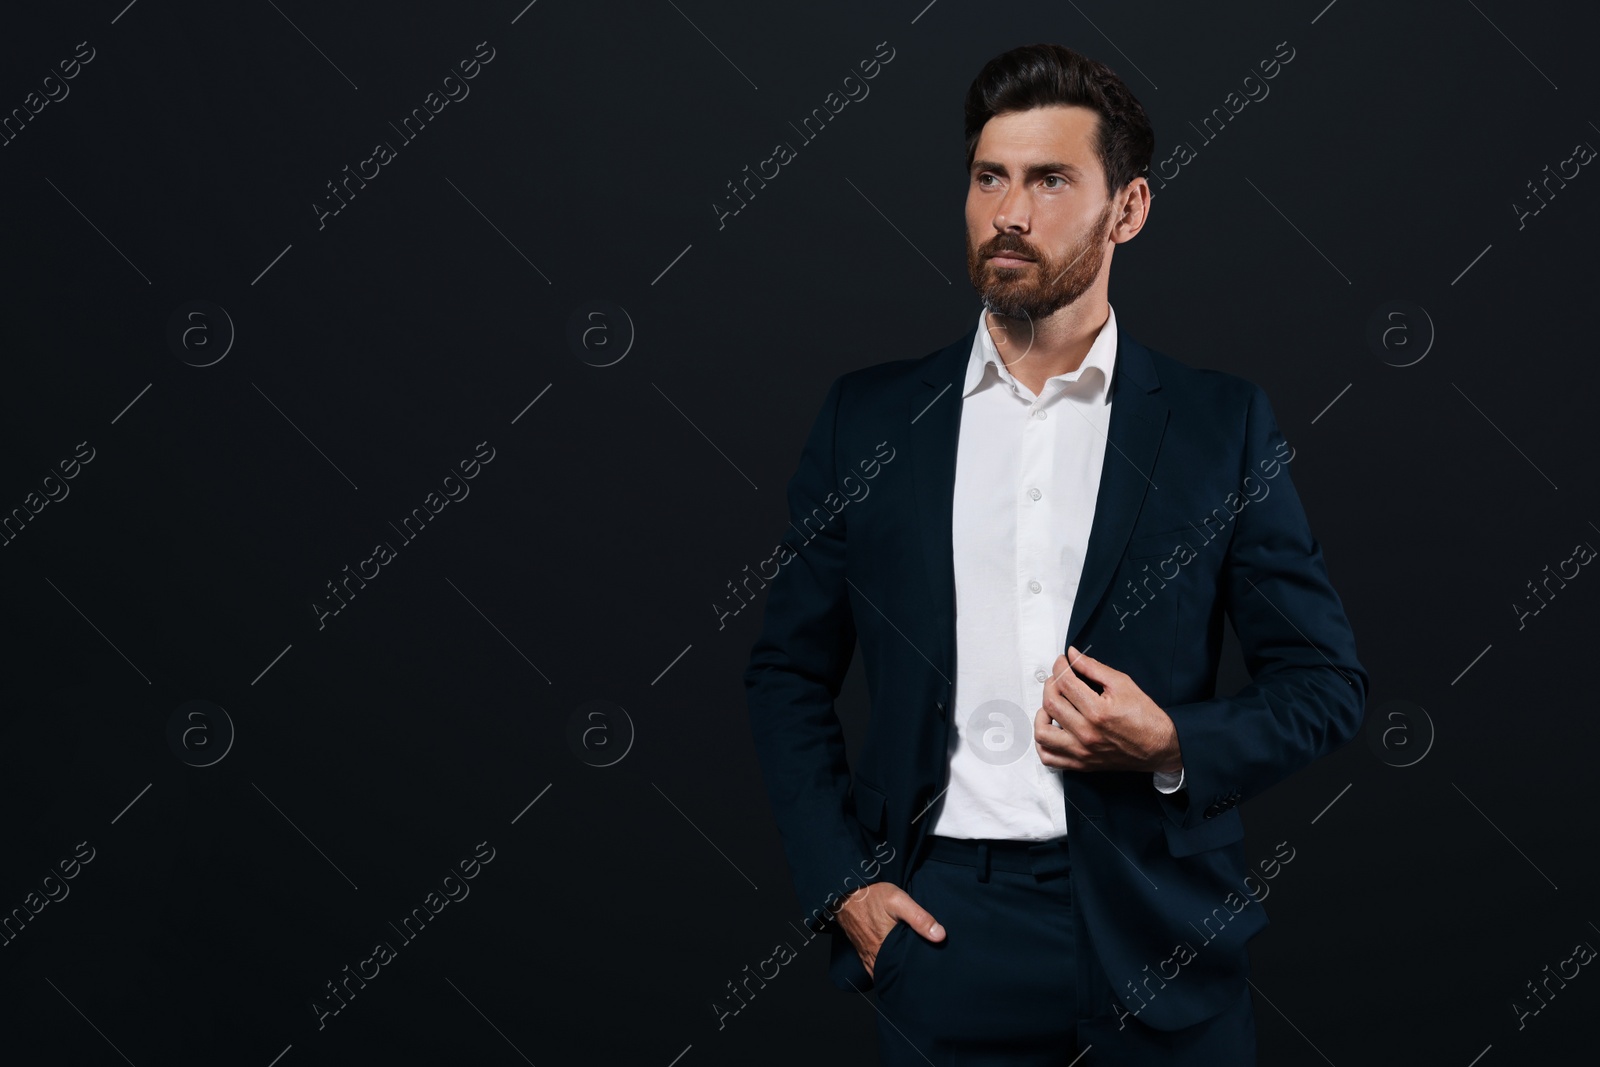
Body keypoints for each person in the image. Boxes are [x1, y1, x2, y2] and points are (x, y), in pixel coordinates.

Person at [742, 42, 1368, 1066]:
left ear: (1127, 209)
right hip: (944, 931)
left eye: (1048, 179)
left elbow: (1325, 681)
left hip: (1163, 931)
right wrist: (842, 885)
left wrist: (1171, 740)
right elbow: (784, 671)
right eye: (989, 177)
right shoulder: (870, 421)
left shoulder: (1219, 426)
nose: (1009, 213)